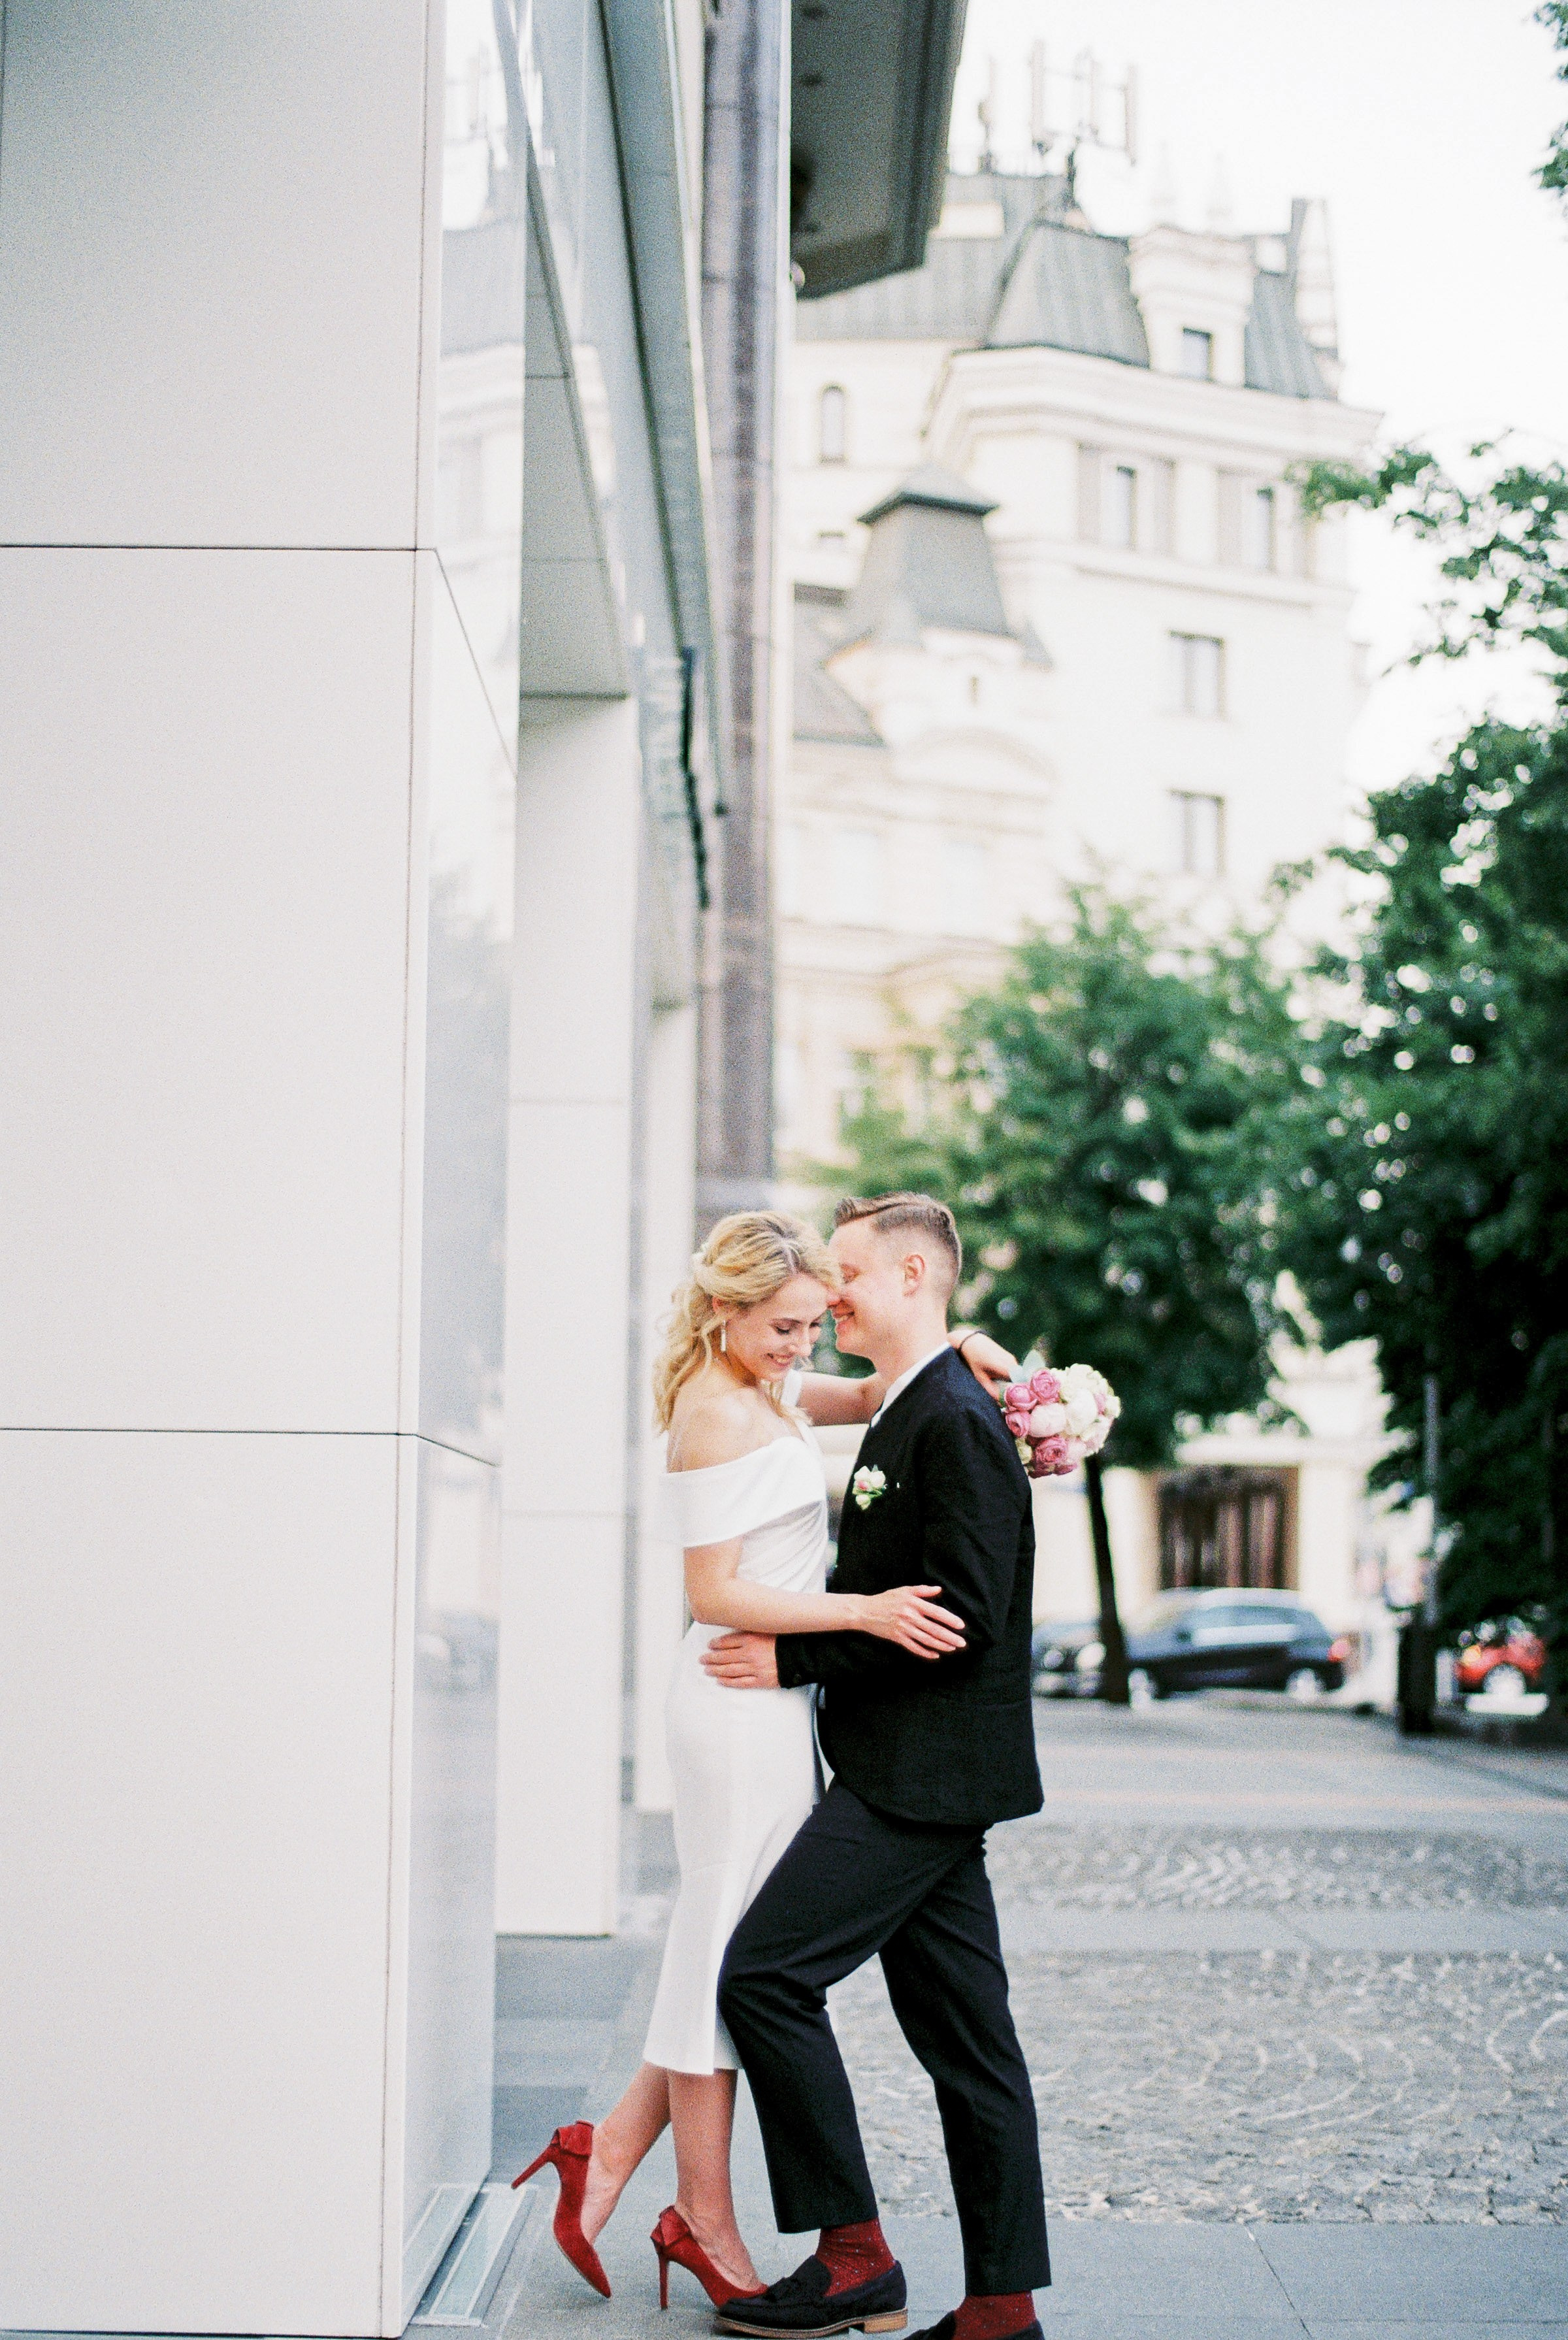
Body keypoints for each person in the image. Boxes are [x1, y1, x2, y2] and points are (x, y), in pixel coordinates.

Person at [513, 1209, 1019, 2313]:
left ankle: (601, 2160)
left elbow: (890, 1392)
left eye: (815, 1315)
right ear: (726, 1312)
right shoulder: (709, 1409)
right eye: (786, 1322)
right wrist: (865, 1612)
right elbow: (710, 1594)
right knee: (730, 1957)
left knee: (725, 1951)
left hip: (784, 1702)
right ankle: (704, 2214)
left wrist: (981, 1356)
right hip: (741, 1699)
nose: (808, 1337)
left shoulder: (772, 1389)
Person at [701, 1193, 1049, 2340]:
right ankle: (1000, 2310)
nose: (829, 1291)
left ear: (911, 1275)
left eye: (846, 1271)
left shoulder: (951, 1417)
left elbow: (965, 1616)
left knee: (763, 1976)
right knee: (972, 2048)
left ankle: (854, 2255)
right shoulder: (917, 1399)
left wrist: (796, 1650)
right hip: (919, 1774)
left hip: (918, 1779)